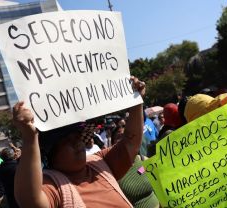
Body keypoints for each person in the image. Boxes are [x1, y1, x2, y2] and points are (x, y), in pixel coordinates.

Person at [13, 77, 145, 207]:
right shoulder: (52, 186)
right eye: (68, 140)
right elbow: (29, 200)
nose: (78, 143)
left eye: (78, 136)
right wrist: (30, 138)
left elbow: (130, 142)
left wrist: (136, 101)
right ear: (51, 152)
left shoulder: (99, 163)